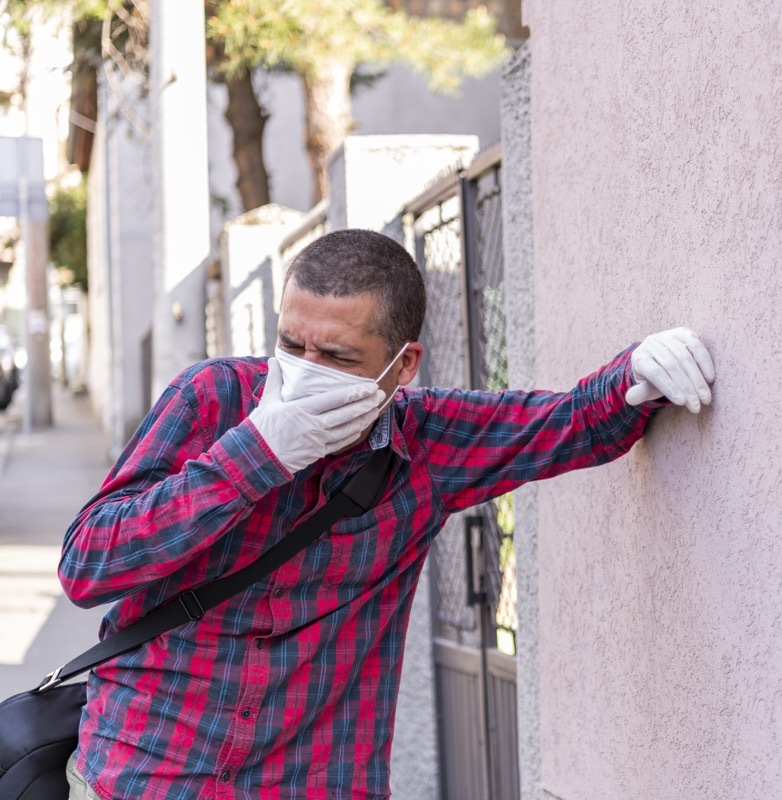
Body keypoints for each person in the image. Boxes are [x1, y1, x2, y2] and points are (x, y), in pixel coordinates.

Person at [58, 228, 715, 799]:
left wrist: (640, 374)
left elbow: (569, 425)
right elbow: (88, 567)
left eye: (339, 357)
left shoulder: (427, 443)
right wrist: (252, 455)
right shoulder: (211, 400)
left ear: (402, 367)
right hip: (144, 774)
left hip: (313, 782)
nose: (306, 372)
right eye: (292, 345)